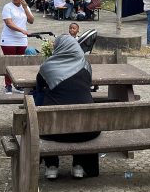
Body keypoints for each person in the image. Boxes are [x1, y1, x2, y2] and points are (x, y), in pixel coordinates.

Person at [36, 34, 101, 179]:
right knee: (79, 111)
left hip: (54, 131)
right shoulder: (86, 66)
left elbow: (39, 87)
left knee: (44, 105)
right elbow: (88, 85)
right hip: (87, 131)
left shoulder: (46, 67)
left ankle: (51, 166)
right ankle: (78, 165)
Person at [1, 0, 35, 92]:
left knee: (20, 62)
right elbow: (9, 23)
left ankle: (19, 83)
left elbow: (31, 20)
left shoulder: (25, 7)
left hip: (22, 40)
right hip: (8, 40)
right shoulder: (7, 7)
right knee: (10, 62)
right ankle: (8, 85)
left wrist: (25, 8)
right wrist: (22, 30)